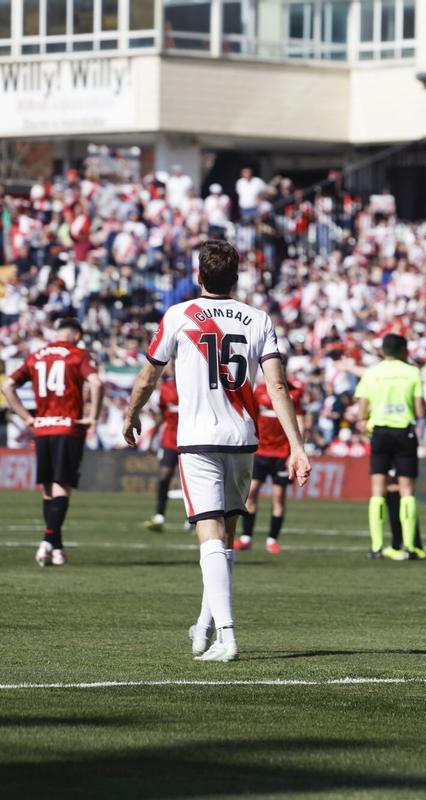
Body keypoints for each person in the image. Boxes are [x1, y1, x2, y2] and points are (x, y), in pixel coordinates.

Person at [122, 239, 311, 662]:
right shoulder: (258, 318)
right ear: (236, 276)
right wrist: (297, 446)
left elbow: (148, 377)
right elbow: (277, 386)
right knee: (224, 538)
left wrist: (132, 415)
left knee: (209, 536)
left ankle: (226, 637)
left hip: (198, 439)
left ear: (199, 276)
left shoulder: (179, 315)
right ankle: (205, 625)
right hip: (244, 438)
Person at [1, 317, 102, 567]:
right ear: (77, 335)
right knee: (62, 486)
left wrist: (26, 418)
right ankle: (47, 540)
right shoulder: (78, 354)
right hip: (68, 427)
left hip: (43, 430)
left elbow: (8, 385)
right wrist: (92, 417)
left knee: (48, 489)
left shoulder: (37, 355)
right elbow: (96, 383)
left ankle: (57, 548)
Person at [355, 333, 426, 560]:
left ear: (383, 351)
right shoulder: (412, 372)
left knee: (377, 490)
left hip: (380, 432)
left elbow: (361, 412)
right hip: (404, 432)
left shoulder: (372, 373)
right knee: (407, 491)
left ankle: (376, 547)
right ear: (404, 350)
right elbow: (420, 411)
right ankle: (409, 547)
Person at [235, 370, 305, 554]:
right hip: (261, 450)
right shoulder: (259, 391)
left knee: (278, 497)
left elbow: (300, 420)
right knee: (251, 493)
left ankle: (272, 539)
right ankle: (246, 537)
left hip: (282, 453)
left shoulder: (295, 392)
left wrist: (296, 450)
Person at [144, 374, 181, 532]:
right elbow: (161, 417)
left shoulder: (194, 382)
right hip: (170, 440)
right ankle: (160, 514)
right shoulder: (166, 389)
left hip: (191, 438)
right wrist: (152, 440)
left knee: (192, 480)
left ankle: (192, 518)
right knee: (164, 475)